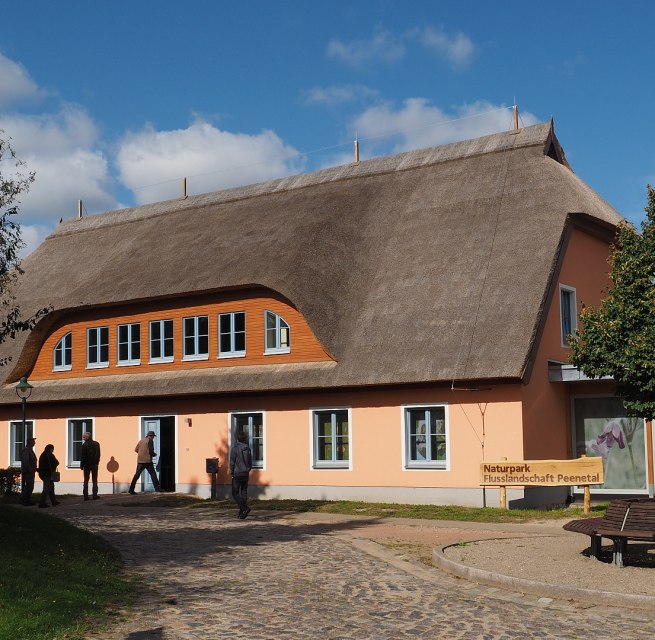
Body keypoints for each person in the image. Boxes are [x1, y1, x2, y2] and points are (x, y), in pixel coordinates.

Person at [229, 431, 252, 519]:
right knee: (243, 492)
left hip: (237, 473)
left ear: (237, 439)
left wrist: (231, 471)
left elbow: (232, 461)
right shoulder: (248, 448)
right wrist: (248, 469)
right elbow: (250, 461)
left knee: (235, 493)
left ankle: (245, 508)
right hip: (245, 473)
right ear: (245, 439)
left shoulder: (235, 448)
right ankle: (242, 512)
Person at [37, 444, 60, 508]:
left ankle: (53, 501)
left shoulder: (43, 454)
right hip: (48, 473)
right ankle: (42, 503)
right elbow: (56, 462)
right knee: (47, 488)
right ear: (51, 449)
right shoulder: (49, 454)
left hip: (43, 473)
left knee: (51, 487)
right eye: (53, 449)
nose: (53, 450)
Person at [80, 431, 101, 500]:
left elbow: (82, 456)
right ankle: (95, 495)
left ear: (86, 437)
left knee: (86, 480)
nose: (83, 438)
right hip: (94, 464)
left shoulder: (84, 445)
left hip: (86, 465)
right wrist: (97, 462)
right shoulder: (96, 444)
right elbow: (98, 454)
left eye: (84, 437)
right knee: (94, 479)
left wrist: (81, 465)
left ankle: (85, 496)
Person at [20, 437, 37, 506]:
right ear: (30, 442)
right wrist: (29, 469)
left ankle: (27, 500)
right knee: (29, 486)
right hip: (28, 472)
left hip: (31, 471)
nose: (34, 443)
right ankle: (24, 500)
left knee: (30, 486)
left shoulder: (30, 450)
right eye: (33, 441)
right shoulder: (26, 450)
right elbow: (25, 461)